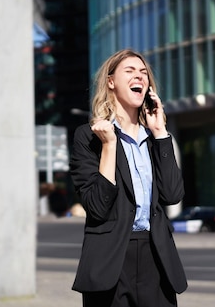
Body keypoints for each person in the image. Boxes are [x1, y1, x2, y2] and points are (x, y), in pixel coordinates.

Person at [69, 49, 187, 307]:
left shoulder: (156, 138)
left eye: (144, 73)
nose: (140, 77)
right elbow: (98, 207)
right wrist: (109, 146)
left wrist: (160, 133)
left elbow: (173, 195)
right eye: (130, 71)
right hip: (110, 261)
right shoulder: (88, 137)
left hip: (156, 259)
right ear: (111, 82)